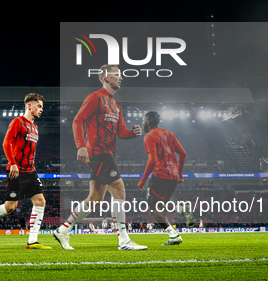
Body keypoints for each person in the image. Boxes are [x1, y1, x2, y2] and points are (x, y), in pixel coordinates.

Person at [53, 64, 146, 250]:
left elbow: (120, 131)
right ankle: (124, 240)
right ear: (106, 77)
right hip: (98, 153)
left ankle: (63, 230)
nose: (120, 78)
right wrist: (81, 146)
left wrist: (132, 133)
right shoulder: (94, 97)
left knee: (95, 198)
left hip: (107, 153)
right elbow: (78, 120)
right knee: (119, 190)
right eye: (117, 75)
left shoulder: (116, 104)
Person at [0, 93, 51, 249]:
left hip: (30, 171)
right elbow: (6, 143)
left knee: (40, 200)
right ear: (30, 105)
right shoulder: (18, 122)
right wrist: (13, 163)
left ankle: (32, 240)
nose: (41, 110)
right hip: (16, 171)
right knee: (10, 207)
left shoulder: (35, 127)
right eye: (39, 106)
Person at [137, 111, 187, 246]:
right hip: (173, 176)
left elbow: (152, 160)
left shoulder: (149, 136)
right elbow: (183, 153)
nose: (142, 124)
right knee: (161, 204)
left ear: (148, 122)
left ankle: (173, 235)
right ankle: (179, 208)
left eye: (143, 121)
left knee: (153, 208)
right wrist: (180, 173)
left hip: (160, 175)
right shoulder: (170, 134)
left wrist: (142, 180)